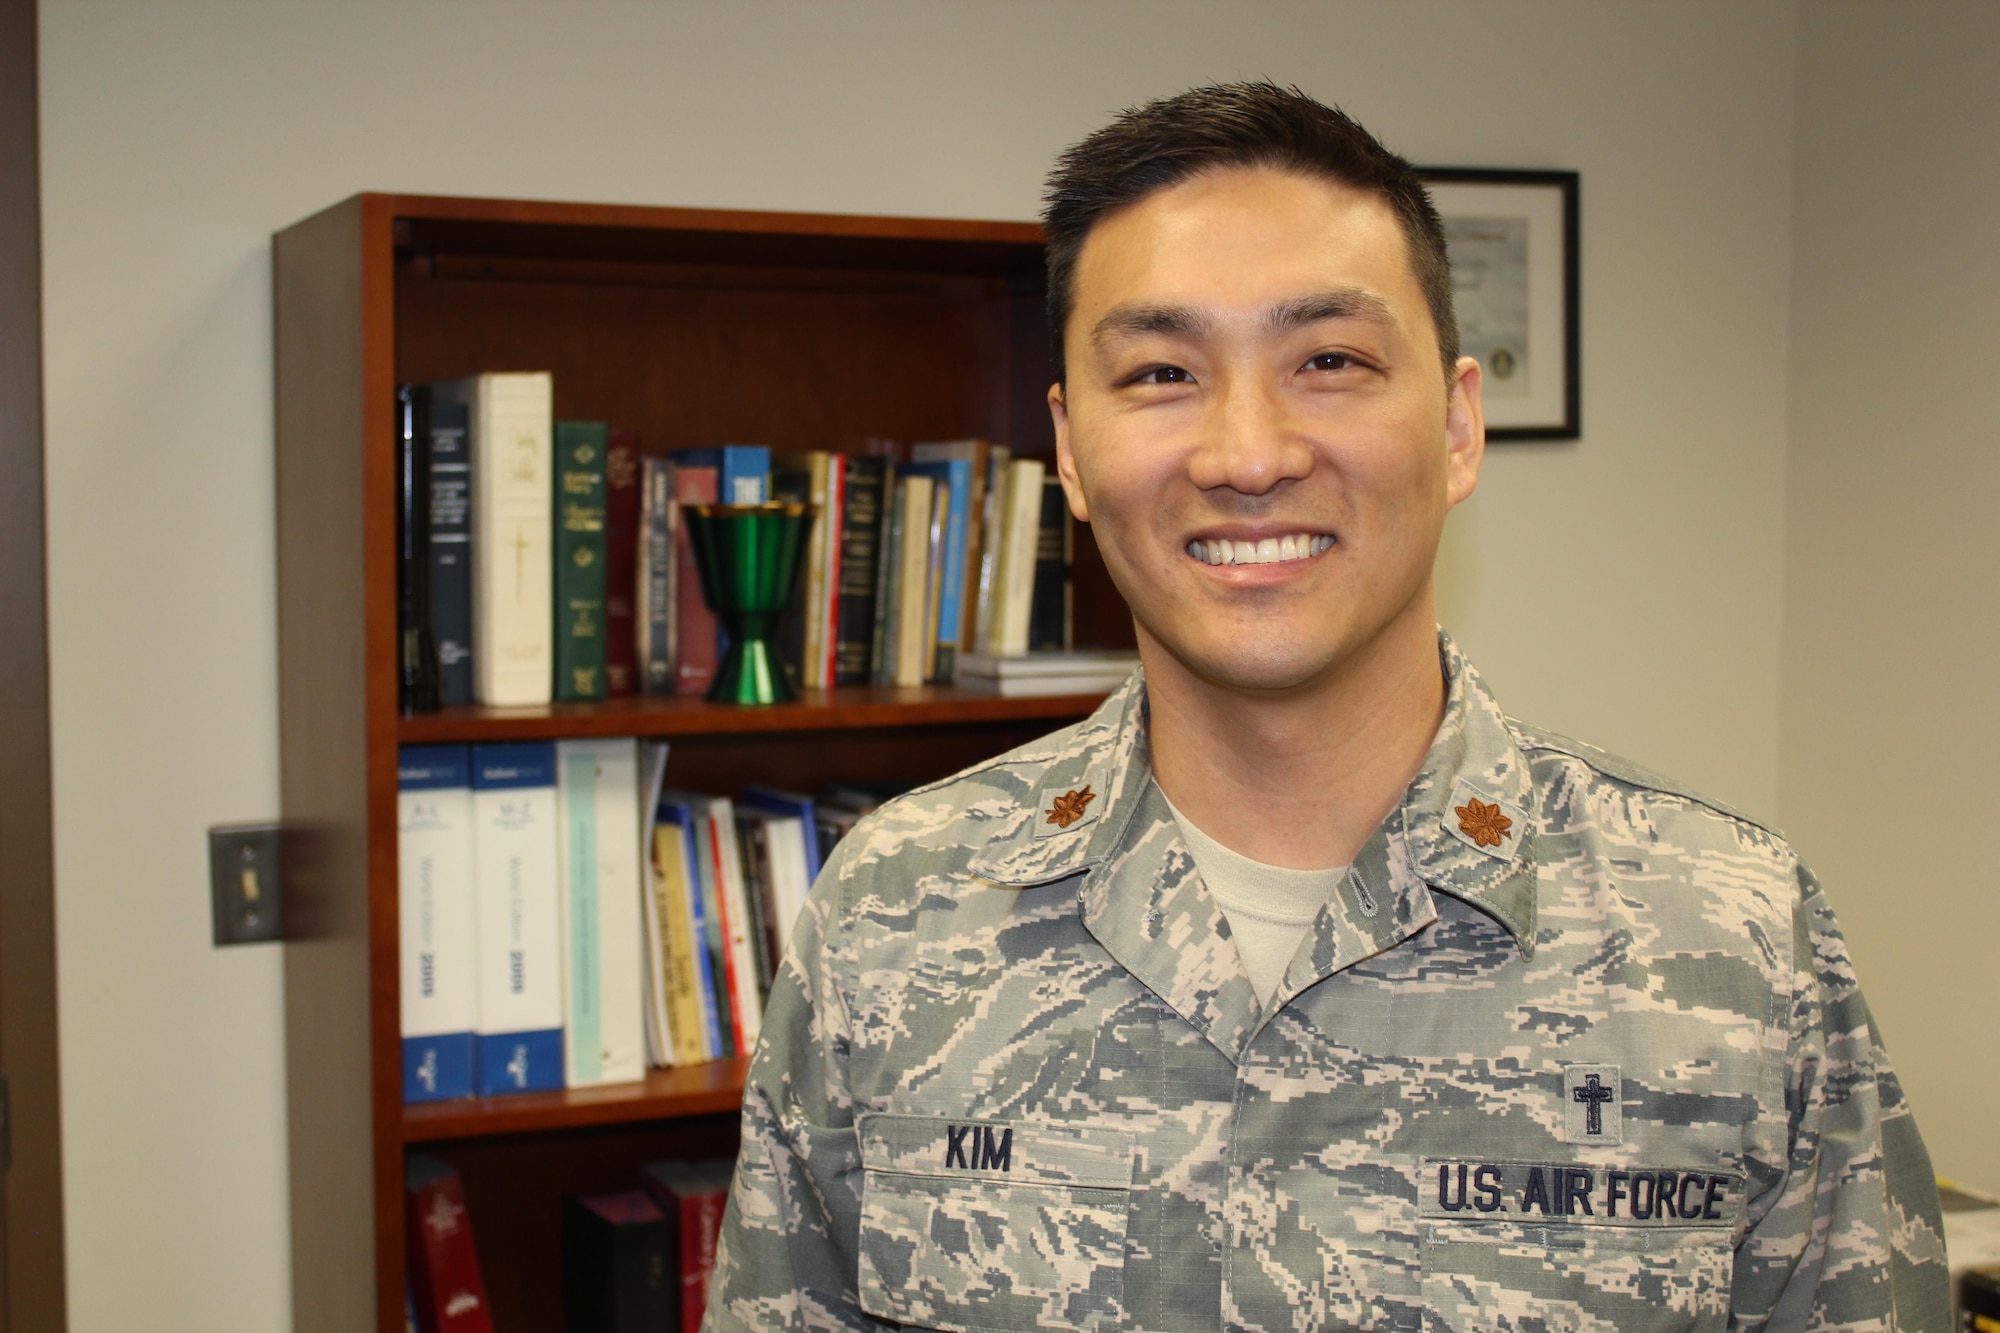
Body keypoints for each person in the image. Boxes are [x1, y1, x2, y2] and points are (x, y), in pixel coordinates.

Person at [703, 82, 1949, 1332]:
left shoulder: (1734, 937)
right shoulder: (891, 917)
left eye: (1329, 362)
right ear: (1070, 451)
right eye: (1160, 372)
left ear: (1455, 425)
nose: (1248, 455)